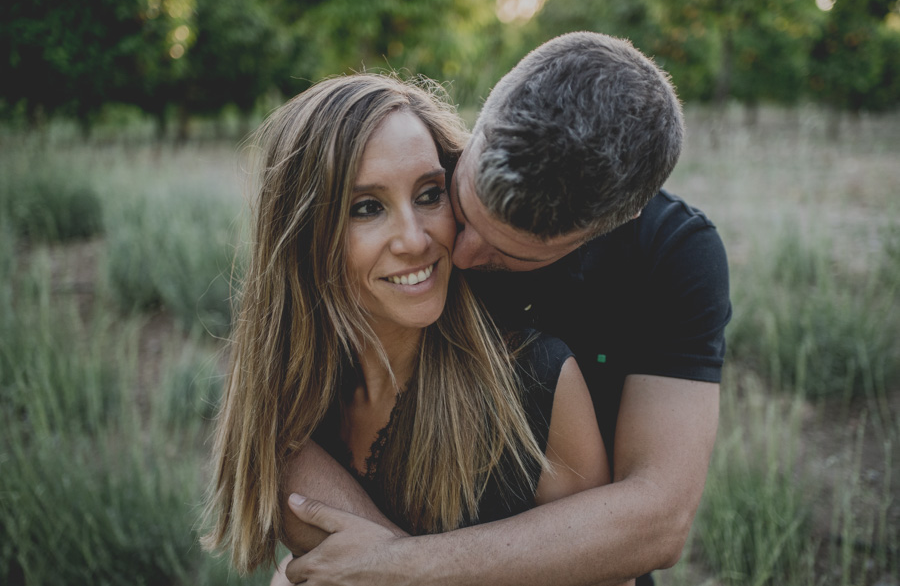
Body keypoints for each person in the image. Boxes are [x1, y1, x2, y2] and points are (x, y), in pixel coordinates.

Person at [278, 32, 731, 586]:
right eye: (462, 206)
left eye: (506, 252)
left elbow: (656, 519)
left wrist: (403, 568)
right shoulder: (422, 165)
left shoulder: (671, 255)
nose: (459, 253)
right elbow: (279, 400)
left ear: (602, 230)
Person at [200, 73, 618, 580]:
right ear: (303, 238)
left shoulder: (535, 380)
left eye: (428, 195)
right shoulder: (293, 399)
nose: (415, 240)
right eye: (367, 208)